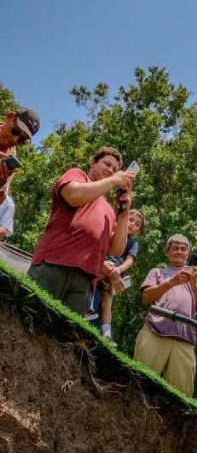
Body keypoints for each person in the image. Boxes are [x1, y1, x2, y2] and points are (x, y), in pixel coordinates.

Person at [29, 147, 135, 316]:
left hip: (85, 281)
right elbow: (73, 196)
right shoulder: (78, 175)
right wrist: (115, 180)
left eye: (115, 170)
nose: (111, 170)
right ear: (93, 162)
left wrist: (124, 213)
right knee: (29, 317)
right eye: (107, 164)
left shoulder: (109, 209)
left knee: (63, 337)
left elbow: (116, 249)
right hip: (53, 263)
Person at [134, 234, 197, 396]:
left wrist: (193, 283)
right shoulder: (157, 272)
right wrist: (171, 282)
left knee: (182, 393)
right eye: (175, 248)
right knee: (141, 383)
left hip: (185, 338)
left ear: (188, 254)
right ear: (167, 252)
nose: (179, 252)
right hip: (155, 330)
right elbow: (147, 297)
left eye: (183, 249)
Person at [93, 208, 145, 339]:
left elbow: (129, 260)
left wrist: (119, 270)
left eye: (137, 224)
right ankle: (88, 308)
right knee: (92, 281)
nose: (132, 224)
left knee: (107, 301)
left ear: (138, 231)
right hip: (102, 265)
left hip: (115, 270)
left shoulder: (133, 243)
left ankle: (106, 332)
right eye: (130, 220)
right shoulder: (111, 231)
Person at [0, 108, 40, 194]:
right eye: (16, 131)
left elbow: (2, 199)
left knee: (9, 205)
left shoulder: (12, 155)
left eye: (22, 139)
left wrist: (2, 185)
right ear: (9, 117)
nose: (15, 139)